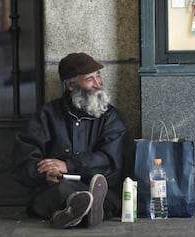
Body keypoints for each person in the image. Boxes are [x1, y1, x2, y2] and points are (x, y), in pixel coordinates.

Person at [14, 52, 126, 228]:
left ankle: (71, 213)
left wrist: (69, 165)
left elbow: (110, 160)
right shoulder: (47, 115)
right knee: (62, 190)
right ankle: (83, 209)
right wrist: (45, 174)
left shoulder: (110, 117)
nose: (98, 84)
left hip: (96, 187)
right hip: (55, 190)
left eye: (98, 76)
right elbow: (25, 158)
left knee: (97, 193)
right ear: (71, 85)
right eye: (90, 79)